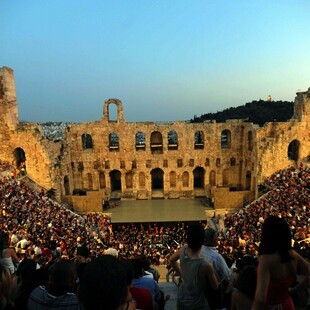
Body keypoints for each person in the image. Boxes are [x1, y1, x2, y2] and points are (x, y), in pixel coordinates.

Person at [253, 216, 310, 310]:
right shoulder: (293, 254)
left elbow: (260, 299)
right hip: (287, 304)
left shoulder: (266, 259)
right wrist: (293, 290)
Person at [169, 223, 218, 310]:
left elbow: (171, 260)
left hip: (182, 297)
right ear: (203, 240)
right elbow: (215, 286)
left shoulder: (183, 250)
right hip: (198, 304)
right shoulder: (206, 265)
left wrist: (181, 275)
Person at [200, 228, 232, 309]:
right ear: (213, 239)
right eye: (216, 237)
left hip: (200, 291)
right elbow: (228, 276)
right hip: (214, 293)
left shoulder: (197, 251)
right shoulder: (216, 257)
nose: (218, 239)